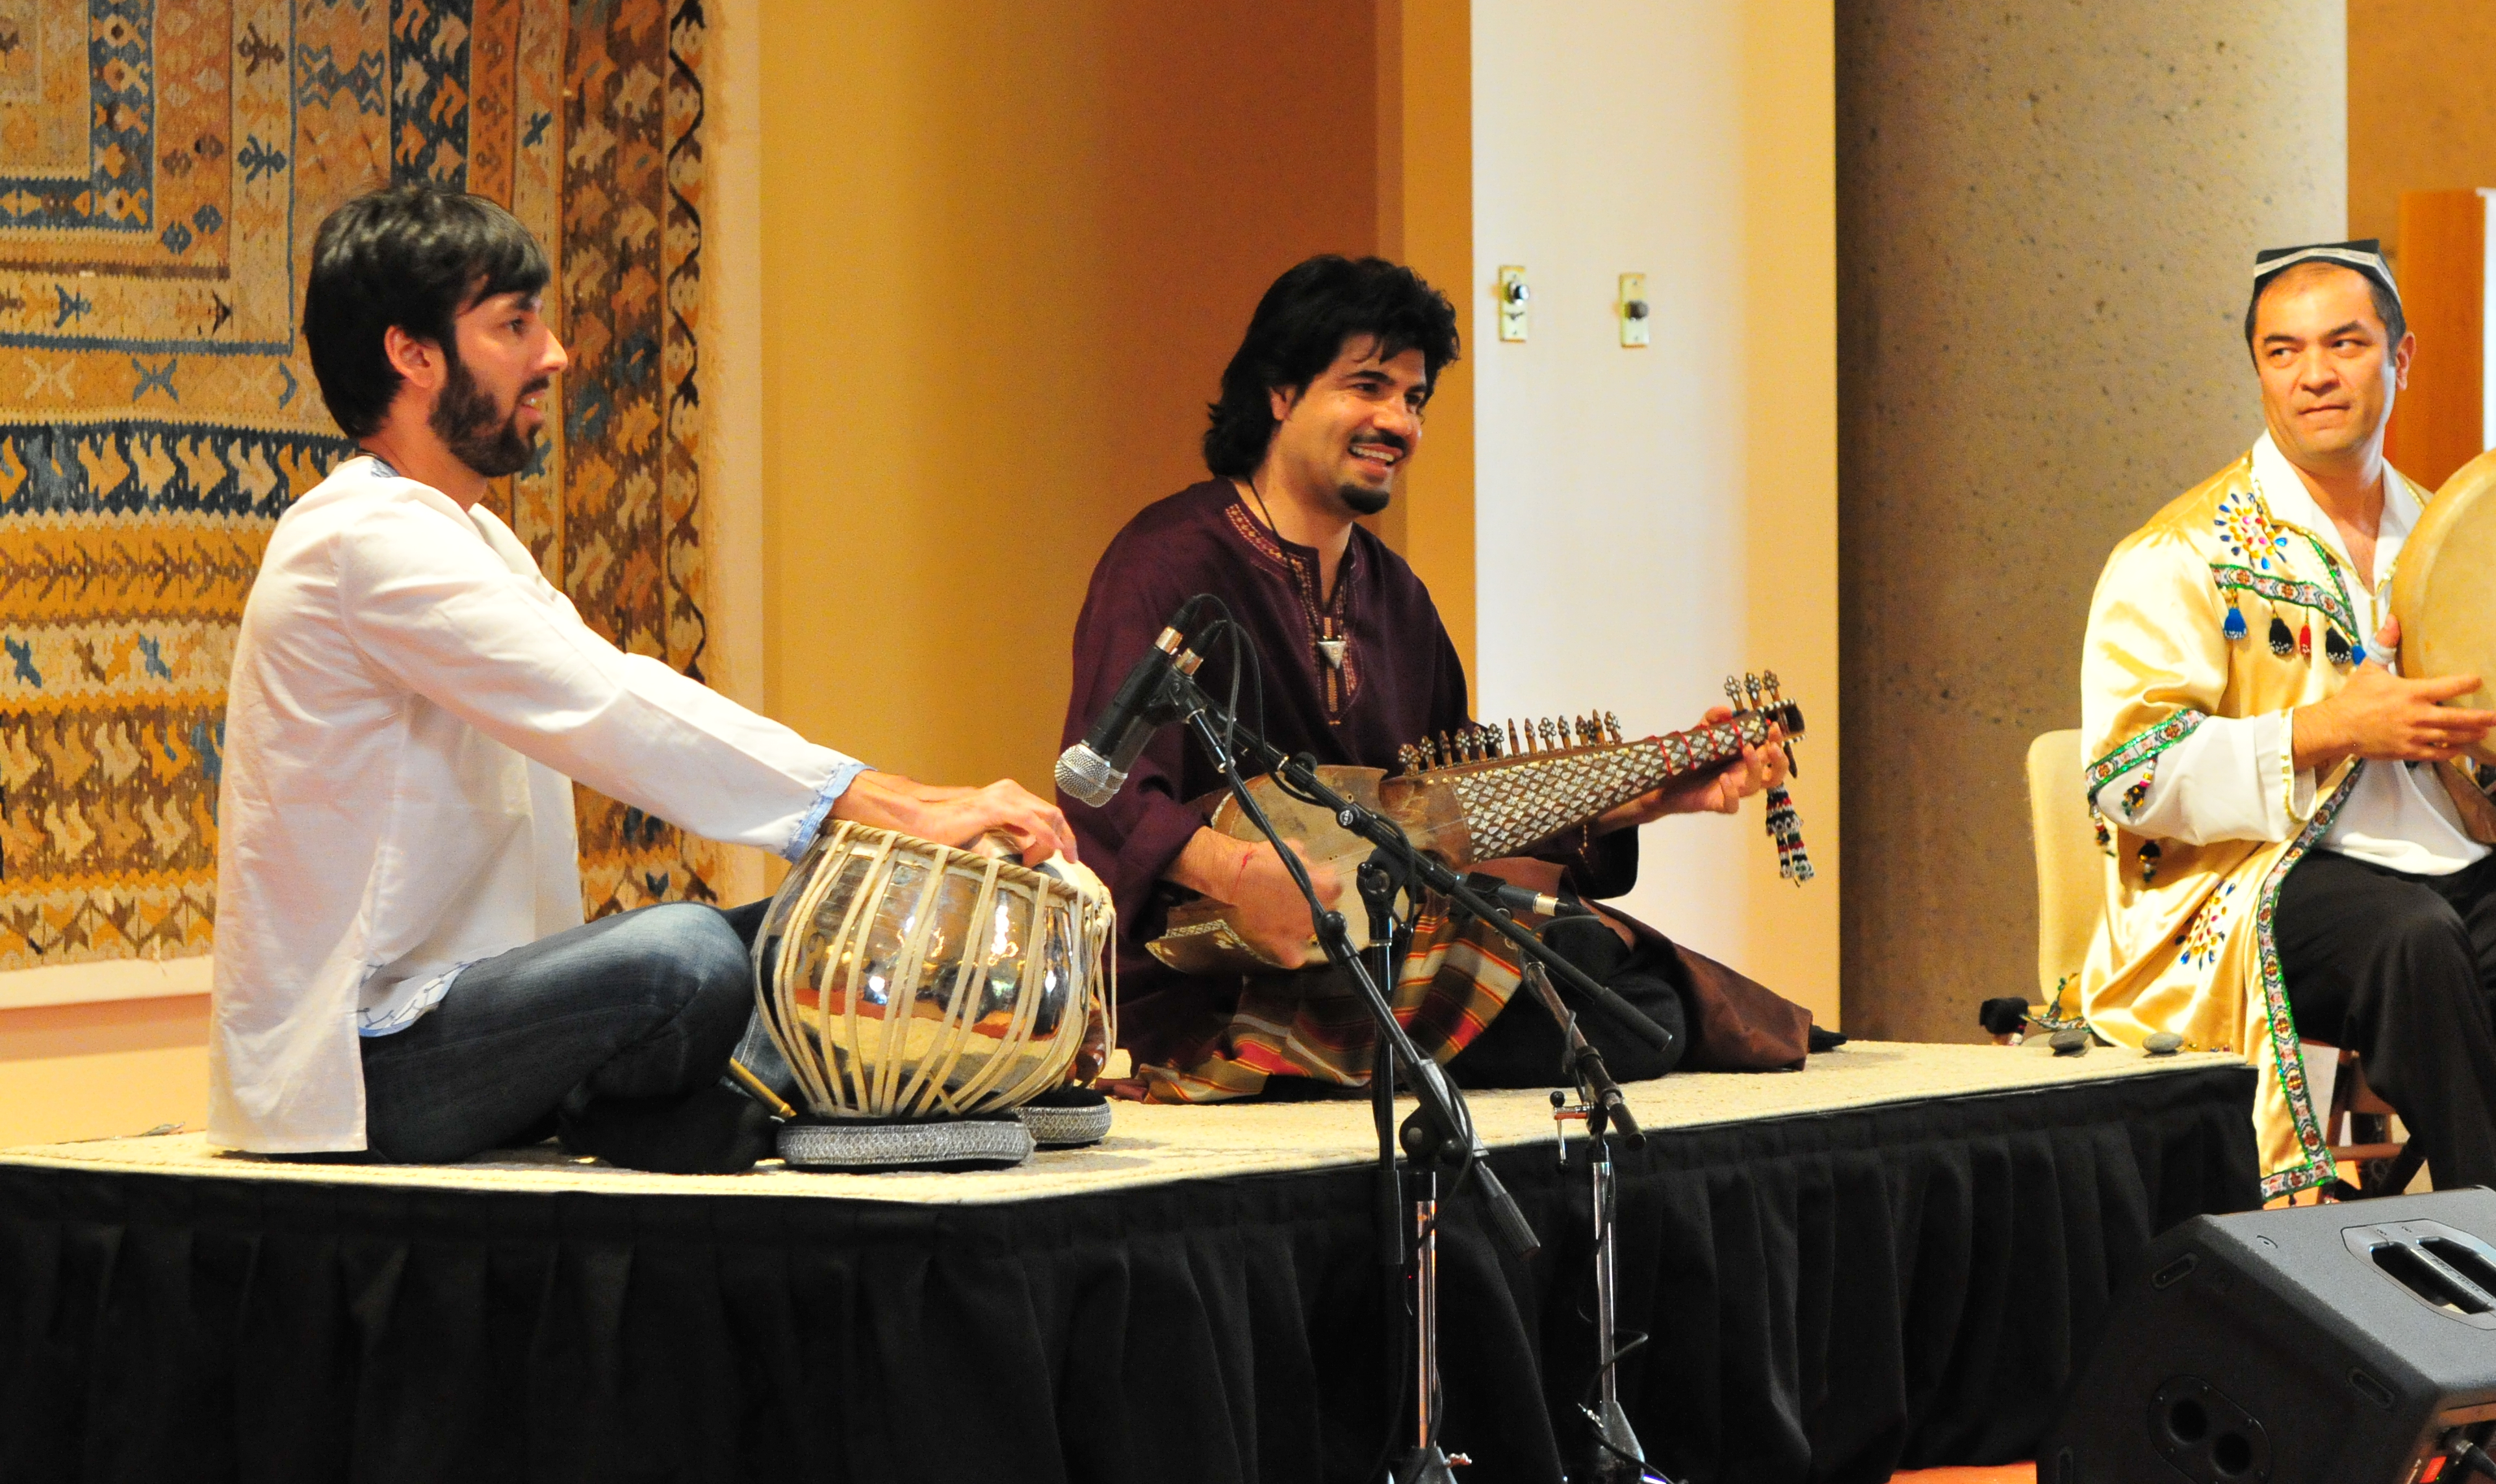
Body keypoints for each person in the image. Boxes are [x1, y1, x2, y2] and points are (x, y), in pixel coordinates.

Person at [211, 186, 1074, 1170]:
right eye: (514, 326)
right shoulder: (361, 539)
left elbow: (609, 683)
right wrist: (876, 799)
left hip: (476, 1019)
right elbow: (607, 707)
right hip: (371, 1065)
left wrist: (885, 834)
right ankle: (685, 1104)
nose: (555, 355)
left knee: (859, 910)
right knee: (684, 962)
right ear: (412, 355)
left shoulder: (468, 533)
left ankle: (707, 1105)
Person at [2074, 238, 2496, 1246]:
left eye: (2346, 343)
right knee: (2411, 940)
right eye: (2283, 351)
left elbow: (2479, 771)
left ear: (2402, 357)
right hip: (2266, 886)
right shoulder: (2180, 552)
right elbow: (2127, 775)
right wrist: (2328, 727)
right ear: (2257, 368)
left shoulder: (2453, 540)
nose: (2315, 374)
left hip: (2447, 881)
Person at [1059, 254, 1811, 1103]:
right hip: (1218, 987)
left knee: (1634, 990)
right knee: (1625, 1010)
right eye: (1368, 387)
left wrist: (1653, 797)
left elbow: (1449, 823)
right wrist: (1241, 879)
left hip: (1385, 957)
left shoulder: (1396, 599)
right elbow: (1100, 792)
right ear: (1279, 393)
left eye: (1413, 399)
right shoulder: (1168, 563)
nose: (1398, 421)